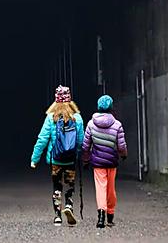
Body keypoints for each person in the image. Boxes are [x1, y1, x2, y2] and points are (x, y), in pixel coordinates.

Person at [30, 85, 85, 226]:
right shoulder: (77, 118)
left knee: (57, 186)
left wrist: (34, 159)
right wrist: (79, 155)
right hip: (70, 160)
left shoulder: (50, 118)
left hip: (56, 159)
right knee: (69, 184)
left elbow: (42, 139)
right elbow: (80, 141)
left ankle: (57, 216)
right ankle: (68, 205)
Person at [82, 94, 127, 228]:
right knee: (111, 189)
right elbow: (122, 145)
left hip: (98, 163)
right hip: (112, 161)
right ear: (111, 107)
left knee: (101, 188)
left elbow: (85, 146)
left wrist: (85, 160)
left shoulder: (91, 124)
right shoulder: (117, 124)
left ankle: (101, 215)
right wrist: (123, 154)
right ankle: (110, 214)